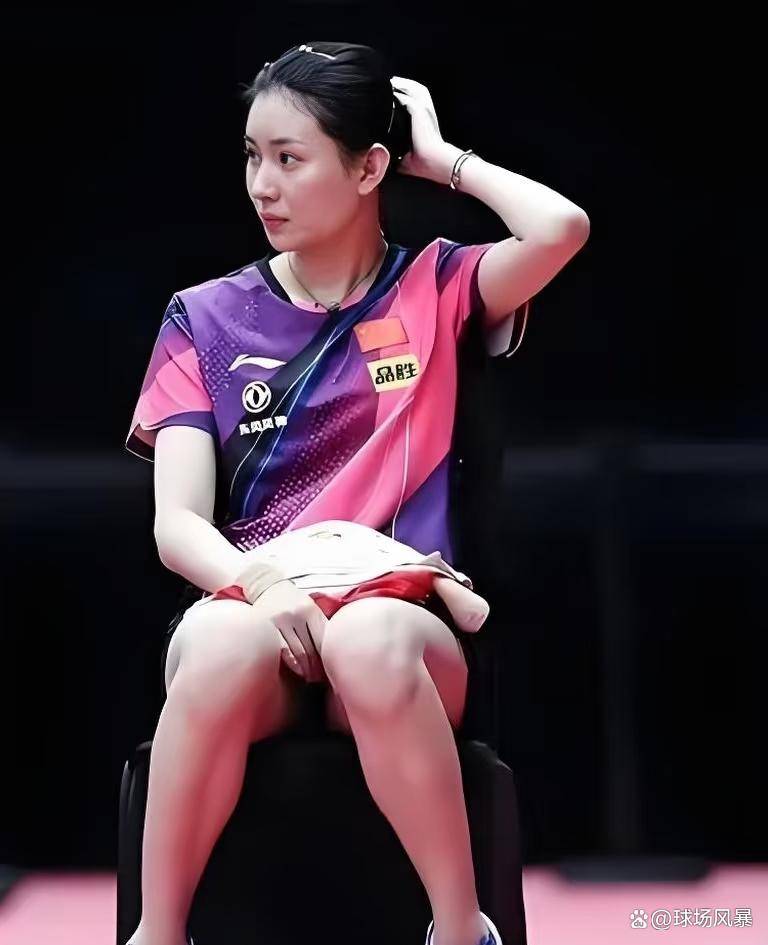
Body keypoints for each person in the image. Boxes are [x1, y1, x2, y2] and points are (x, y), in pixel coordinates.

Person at [124, 40, 589, 945]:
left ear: (370, 168)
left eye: (290, 159)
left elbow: (560, 228)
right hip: (262, 612)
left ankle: (461, 929)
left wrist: (441, 159)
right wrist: (263, 585)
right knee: (214, 643)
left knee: (369, 641)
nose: (262, 185)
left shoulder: (439, 286)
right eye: (252, 156)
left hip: (400, 620)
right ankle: (159, 935)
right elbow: (176, 523)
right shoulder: (203, 316)